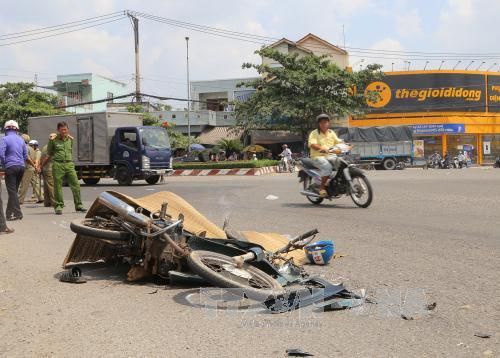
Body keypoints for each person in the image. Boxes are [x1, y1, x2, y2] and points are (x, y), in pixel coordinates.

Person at [40, 121, 86, 215]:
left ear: (67, 129)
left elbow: (70, 151)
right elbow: (49, 154)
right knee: (57, 187)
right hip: (58, 164)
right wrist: (42, 165)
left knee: (76, 184)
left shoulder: (70, 140)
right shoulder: (53, 140)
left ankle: (79, 205)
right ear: (58, 130)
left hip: (69, 164)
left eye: (65, 130)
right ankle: (59, 206)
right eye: (62, 130)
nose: (64, 132)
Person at [0, 121, 34, 221]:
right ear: (17, 129)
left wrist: (4, 164)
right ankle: (9, 214)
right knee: (13, 191)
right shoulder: (21, 140)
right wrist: (20, 162)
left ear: (6, 129)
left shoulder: (4, 139)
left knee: (12, 191)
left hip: (10, 167)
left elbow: (1, 154)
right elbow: (25, 155)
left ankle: (18, 212)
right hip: (21, 167)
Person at [308, 114, 348, 197]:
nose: (324, 124)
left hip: (330, 155)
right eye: (322, 122)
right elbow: (312, 144)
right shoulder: (314, 133)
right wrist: (321, 148)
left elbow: (338, 141)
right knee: (327, 167)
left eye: (326, 122)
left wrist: (346, 145)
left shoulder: (331, 132)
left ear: (328, 123)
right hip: (317, 156)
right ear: (319, 124)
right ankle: (322, 188)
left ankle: (338, 183)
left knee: (342, 164)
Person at [18, 138, 43, 205]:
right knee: (36, 184)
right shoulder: (32, 149)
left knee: (24, 184)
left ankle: (20, 200)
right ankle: (41, 197)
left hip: (28, 168)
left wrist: (36, 167)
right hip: (32, 168)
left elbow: (32, 159)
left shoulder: (29, 149)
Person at [40, 134, 56, 207]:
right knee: (52, 186)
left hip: (45, 169)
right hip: (50, 168)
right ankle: (54, 202)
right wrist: (42, 165)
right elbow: (47, 158)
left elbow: (41, 158)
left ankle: (47, 202)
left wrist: (41, 166)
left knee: (46, 187)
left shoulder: (44, 147)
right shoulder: (51, 147)